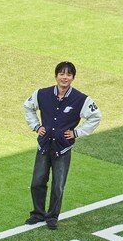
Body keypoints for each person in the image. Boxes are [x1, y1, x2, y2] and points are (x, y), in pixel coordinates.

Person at [23, 62, 101, 230]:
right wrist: (36, 126)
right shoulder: (42, 94)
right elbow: (27, 107)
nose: (64, 77)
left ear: (73, 78)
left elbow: (96, 116)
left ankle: (52, 217)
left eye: (68, 75)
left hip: (62, 149)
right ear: (56, 76)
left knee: (58, 185)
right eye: (61, 74)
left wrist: (77, 133)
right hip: (44, 146)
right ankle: (37, 213)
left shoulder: (81, 99)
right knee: (37, 182)